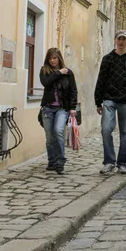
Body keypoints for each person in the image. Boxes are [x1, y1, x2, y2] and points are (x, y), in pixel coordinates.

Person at [94, 30, 126, 175]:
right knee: (106, 129)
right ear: (115, 40)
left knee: (124, 133)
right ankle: (109, 162)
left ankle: (122, 163)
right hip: (109, 100)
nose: (121, 42)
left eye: (124, 39)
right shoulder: (107, 59)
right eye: (119, 39)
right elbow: (101, 80)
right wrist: (98, 101)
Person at [39, 47, 78, 175]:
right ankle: (52, 161)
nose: (52, 61)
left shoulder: (69, 73)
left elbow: (73, 91)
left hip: (62, 108)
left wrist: (72, 108)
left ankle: (60, 161)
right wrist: (59, 73)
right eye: (50, 58)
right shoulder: (44, 71)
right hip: (48, 108)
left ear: (59, 58)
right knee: (50, 137)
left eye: (55, 58)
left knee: (58, 131)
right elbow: (46, 83)